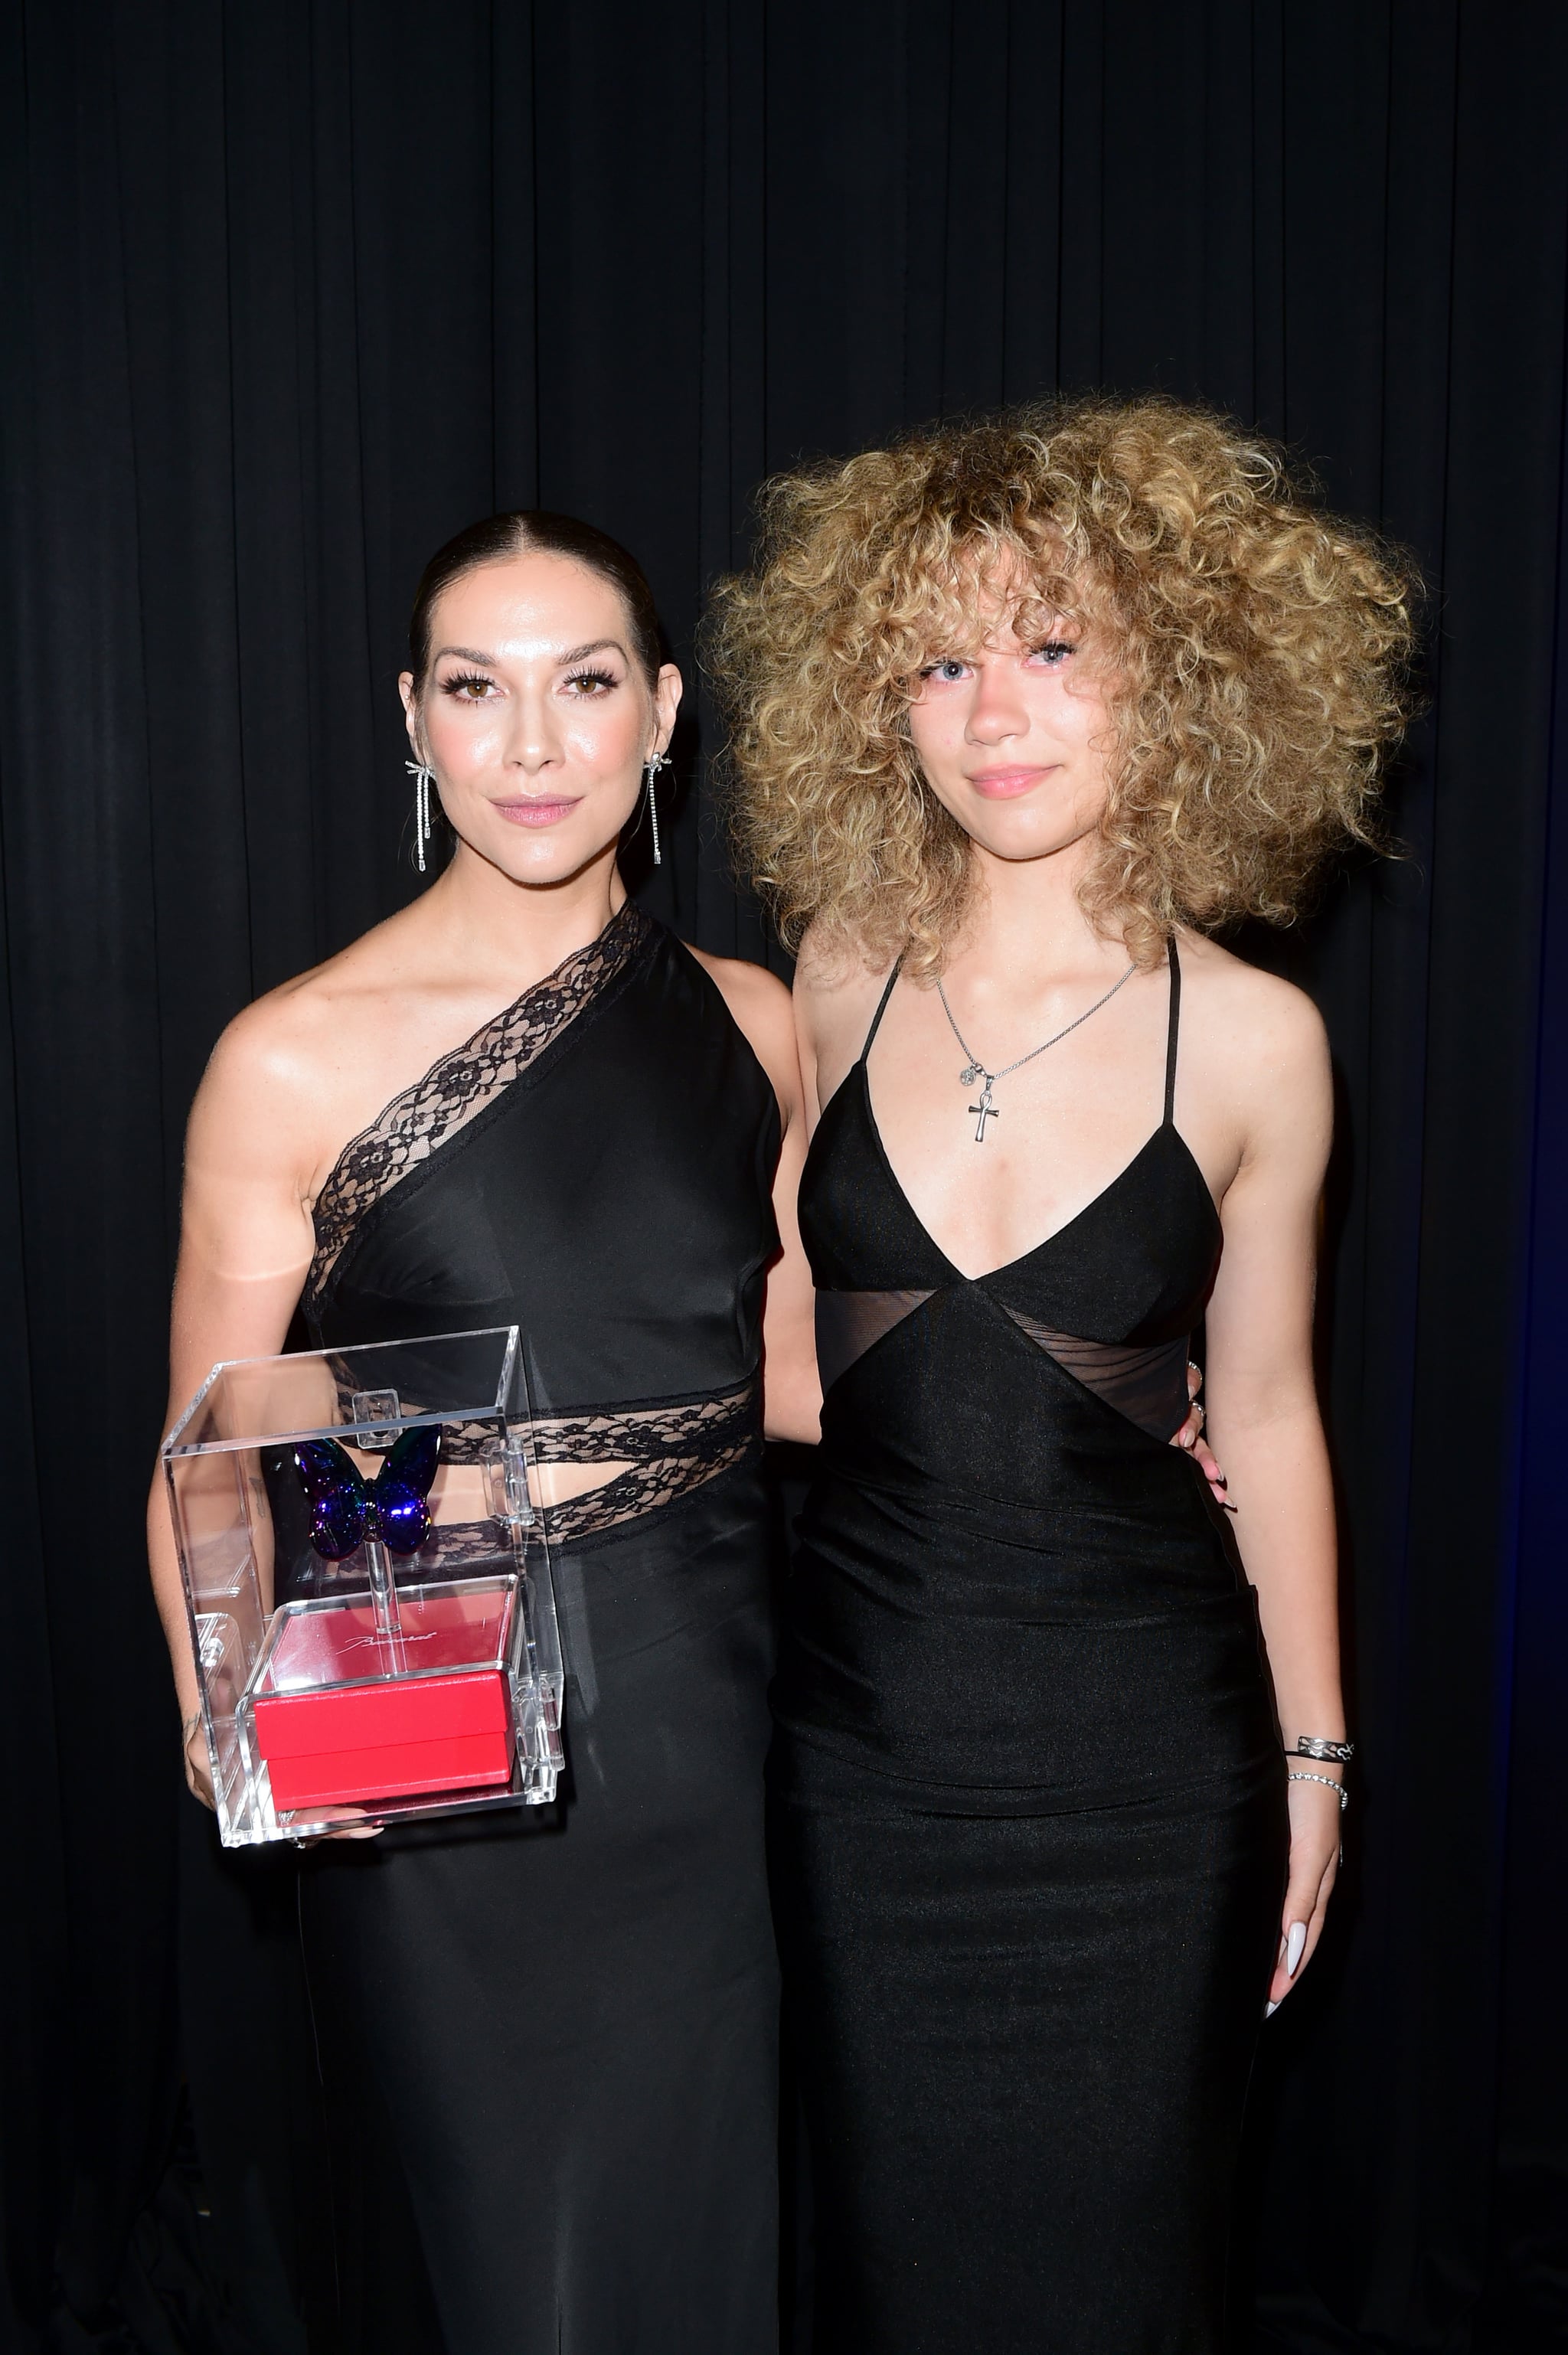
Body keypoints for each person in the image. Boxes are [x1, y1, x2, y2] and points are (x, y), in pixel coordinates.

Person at [709, 397, 1415, 2352]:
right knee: (894, 2270)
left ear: (1175, 676)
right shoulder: (834, 967)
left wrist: (1314, 1754)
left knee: (1129, 2273)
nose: (991, 709)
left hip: (1145, 1767)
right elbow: (777, 1346)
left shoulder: (1260, 1037)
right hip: (871, 1749)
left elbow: (1268, 1410)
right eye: (939, 658)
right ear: (879, 698)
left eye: (1050, 645)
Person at [146, 510, 821, 2355]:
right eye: (477, 688)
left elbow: (787, 1377)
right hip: (431, 1708)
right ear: (415, 718)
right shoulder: (291, 1053)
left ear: (663, 709)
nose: (532, 745)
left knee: (705, 2240)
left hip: (710, 1714)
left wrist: (1102, 1414)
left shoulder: (755, 1026)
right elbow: (210, 1450)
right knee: (519, 2273)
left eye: (584, 683)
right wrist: (234, 1722)